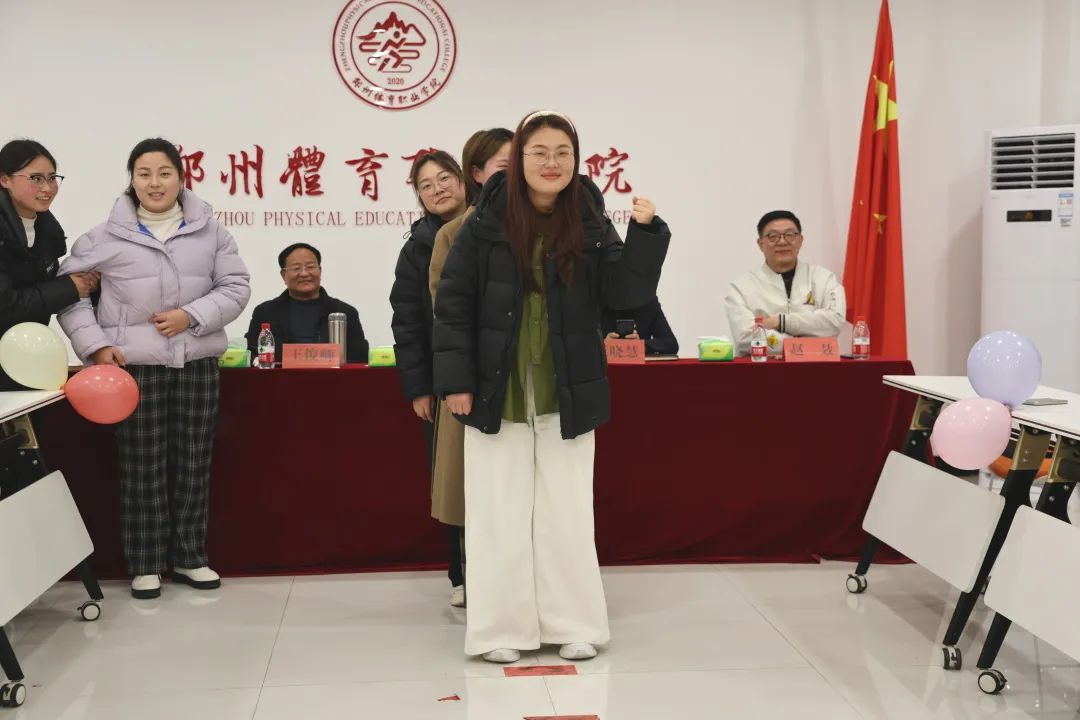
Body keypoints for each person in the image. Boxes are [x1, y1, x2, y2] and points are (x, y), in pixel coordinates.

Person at [433, 110, 671, 663]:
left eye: (563, 152)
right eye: (539, 152)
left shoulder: (588, 215)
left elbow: (624, 294)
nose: (552, 163)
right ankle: (500, 631)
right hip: (496, 388)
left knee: (568, 512)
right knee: (498, 513)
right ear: (519, 159)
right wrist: (456, 382)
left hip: (568, 386)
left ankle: (574, 623)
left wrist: (645, 235)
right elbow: (454, 305)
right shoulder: (485, 218)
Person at [57, 138, 251, 600]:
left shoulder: (211, 232)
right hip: (133, 369)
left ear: (181, 178)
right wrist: (97, 347)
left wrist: (191, 316)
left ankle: (190, 557)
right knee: (141, 466)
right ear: (132, 179)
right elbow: (69, 297)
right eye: (144, 173)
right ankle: (145, 563)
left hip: (196, 362)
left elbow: (236, 286)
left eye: (164, 173)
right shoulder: (101, 238)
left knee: (193, 462)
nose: (154, 183)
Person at [427, 128, 512, 608]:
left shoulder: (550, 225)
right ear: (477, 174)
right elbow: (448, 315)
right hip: (477, 383)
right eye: (504, 166)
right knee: (479, 494)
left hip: (532, 384)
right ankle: (479, 583)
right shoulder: (454, 234)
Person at [389, 150, 468, 601]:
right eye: (426, 185)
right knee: (451, 482)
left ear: (464, 179)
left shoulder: (493, 227)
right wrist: (418, 388)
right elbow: (408, 323)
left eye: (444, 178)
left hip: (489, 377)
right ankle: (461, 575)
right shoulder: (416, 248)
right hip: (442, 383)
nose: (437, 189)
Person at [0, 140, 99, 390]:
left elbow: (40, 294)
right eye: (36, 178)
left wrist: (90, 285)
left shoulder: (47, 231)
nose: (47, 188)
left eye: (52, 178)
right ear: (4, 180)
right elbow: (5, 305)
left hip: (25, 360)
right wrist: (69, 288)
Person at [724, 210, 845, 356]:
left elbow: (835, 321)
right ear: (760, 244)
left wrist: (780, 322)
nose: (782, 242)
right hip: (762, 368)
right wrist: (801, 344)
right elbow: (745, 338)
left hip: (815, 367)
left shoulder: (824, 279)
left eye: (789, 235)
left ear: (800, 240)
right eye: (773, 236)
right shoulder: (741, 288)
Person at [245, 243, 368, 364]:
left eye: (310, 267)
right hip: (280, 377)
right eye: (296, 268)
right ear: (283, 275)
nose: (304, 274)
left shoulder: (344, 312)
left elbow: (360, 359)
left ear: (320, 271)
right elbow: (251, 355)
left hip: (331, 377)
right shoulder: (265, 312)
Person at [601, 297, 679, 355]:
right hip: (604, 368)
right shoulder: (597, 302)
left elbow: (671, 344)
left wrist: (643, 346)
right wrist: (602, 346)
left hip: (639, 368)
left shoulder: (649, 302)